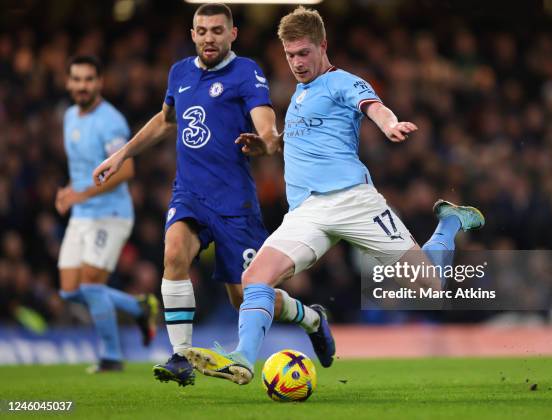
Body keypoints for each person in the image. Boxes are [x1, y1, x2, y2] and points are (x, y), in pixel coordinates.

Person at [186, 6, 485, 385]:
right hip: (307, 212)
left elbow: (373, 107)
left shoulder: (343, 81)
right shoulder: (298, 95)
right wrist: (269, 147)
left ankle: (449, 222)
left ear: (322, 45)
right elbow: (305, 143)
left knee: (430, 285)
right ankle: (243, 358)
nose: (296, 62)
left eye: (303, 53)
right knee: (254, 278)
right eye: (289, 55)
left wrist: (389, 123)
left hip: (353, 201)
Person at [92, 3, 335, 387]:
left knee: (247, 297)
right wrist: (121, 154)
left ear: (231, 34)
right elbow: (165, 120)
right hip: (189, 193)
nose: (209, 37)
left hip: (234, 203)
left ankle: (311, 318)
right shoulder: (180, 73)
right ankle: (179, 356)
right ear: (193, 35)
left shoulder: (245, 72)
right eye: (202, 31)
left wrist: (268, 143)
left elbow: (267, 123)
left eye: (217, 31)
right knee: (174, 252)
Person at [57, 55, 158, 373]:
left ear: (99, 82)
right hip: (82, 213)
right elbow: (83, 169)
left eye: (89, 79)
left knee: (90, 286)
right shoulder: (70, 116)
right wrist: (68, 191)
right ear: (68, 82)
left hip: (111, 214)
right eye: (77, 79)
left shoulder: (110, 120)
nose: (82, 86)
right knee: (69, 290)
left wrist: (80, 194)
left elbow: (126, 168)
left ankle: (111, 357)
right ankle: (138, 308)